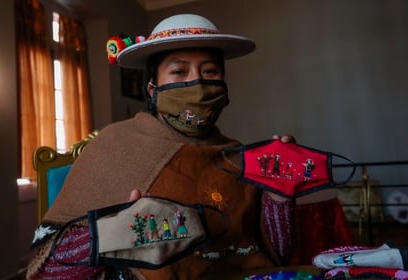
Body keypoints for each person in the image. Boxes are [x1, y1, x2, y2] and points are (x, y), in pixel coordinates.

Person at [26, 14, 353, 279]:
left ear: (223, 85)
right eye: (179, 71)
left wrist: (280, 197)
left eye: (209, 71)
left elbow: (275, 256)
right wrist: (117, 234)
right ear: (153, 87)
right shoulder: (113, 146)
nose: (197, 84)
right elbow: (49, 269)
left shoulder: (239, 155)